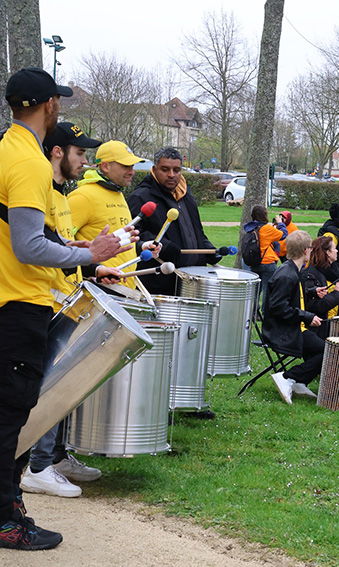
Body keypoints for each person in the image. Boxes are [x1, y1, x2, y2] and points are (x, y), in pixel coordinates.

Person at [0, 67, 127, 551]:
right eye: (60, 101)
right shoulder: (29, 162)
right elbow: (30, 246)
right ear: (49, 105)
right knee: (14, 418)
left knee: (11, 415)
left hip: (11, 301)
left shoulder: (7, 149)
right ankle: (5, 519)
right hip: (20, 305)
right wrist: (87, 255)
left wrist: (85, 263)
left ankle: (10, 505)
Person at [19, 123, 122, 501]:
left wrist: (94, 265)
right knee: (50, 386)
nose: (86, 161)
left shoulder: (61, 195)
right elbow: (35, 248)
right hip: (41, 304)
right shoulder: (39, 191)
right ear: (58, 152)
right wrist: (88, 255)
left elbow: (59, 246)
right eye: (81, 154)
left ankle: (54, 457)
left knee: (64, 383)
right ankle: (37, 466)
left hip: (67, 299)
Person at [127, 147, 220, 296]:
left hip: (190, 282)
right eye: (165, 169)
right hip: (158, 286)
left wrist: (210, 250)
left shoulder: (186, 196)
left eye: (176, 170)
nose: (171, 175)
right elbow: (133, 235)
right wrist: (164, 246)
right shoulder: (141, 197)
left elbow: (196, 232)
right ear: (154, 169)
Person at [68, 140, 155, 293]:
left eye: (132, 166)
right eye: (125, 166)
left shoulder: (118, 194)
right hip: (95, 294)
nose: (132, 171)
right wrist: (95, 269)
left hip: (122, 291)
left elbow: (115, 239)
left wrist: (141, 246)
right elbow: (60, 245)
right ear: (106, 166)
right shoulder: (83, 197)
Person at [262, 230, 325, 402]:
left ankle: (299, 382)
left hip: (292, 326)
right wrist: (306, 316)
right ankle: (287, 377)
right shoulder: (287, 275)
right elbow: (279, 307)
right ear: (306, 250)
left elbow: (291, 296)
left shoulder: (291, 269)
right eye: (311, 248)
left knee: (321, 346)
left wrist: (312, 292)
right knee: (326, 351)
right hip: (282, 331)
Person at [300, 236, 339, 339]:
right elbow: (314, 306)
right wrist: (337, 292)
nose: (337, 251)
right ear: (328, 252)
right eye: (334, 248)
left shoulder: (330, 270)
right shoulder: (311, 274)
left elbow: (330, 288)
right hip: (317, 329)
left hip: (330, 325)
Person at [243, 205, 287, 313]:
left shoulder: (250, 227)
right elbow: (283, 235)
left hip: (254, 262)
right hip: (267, 263)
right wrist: (280, 223)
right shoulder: (267, 228)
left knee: (256, 291)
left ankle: (252, 312)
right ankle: (266, 313)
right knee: (268, 290)